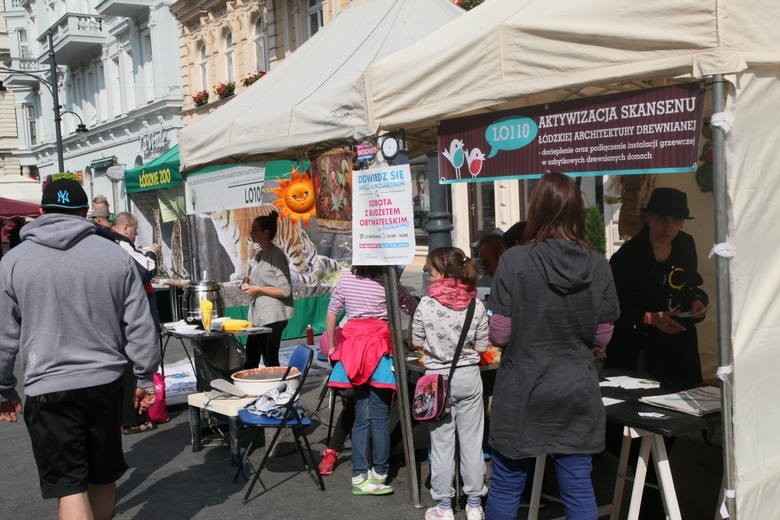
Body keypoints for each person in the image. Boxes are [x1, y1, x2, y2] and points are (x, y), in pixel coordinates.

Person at [0, 179, 160, 520]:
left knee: (70, 486)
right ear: (86, 213)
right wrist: (145, 378)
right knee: (102, 477)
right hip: (104, 383)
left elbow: (3, 336)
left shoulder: (13, 262)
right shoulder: (115, 257)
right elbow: (141, 325)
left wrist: (3, 388)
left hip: (48, 386)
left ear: (41, 213)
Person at [485, 172, 620, 519]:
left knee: (506, 486)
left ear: (537, 209)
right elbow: (603, 335)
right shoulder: (599, 265)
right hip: (576, 388)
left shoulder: (514, 261)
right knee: (577, 487)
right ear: (576, 211)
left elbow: (500, 335)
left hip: (522, 390)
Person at [325, 265, 418, 495]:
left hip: (352, 348)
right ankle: (380, 472)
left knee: (360, 415)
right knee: (380, 415)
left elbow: (332, 311)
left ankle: (359, 474)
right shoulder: (389, 282)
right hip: (380, 350)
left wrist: (333, 345)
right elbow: (412, 307)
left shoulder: (346, 278)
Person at [412, 247, 489, 520]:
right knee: (472, 442)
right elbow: (481, 345)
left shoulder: (426, 304)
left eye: (431, 269)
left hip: (437, 380)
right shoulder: (476, 303)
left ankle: (444, 506)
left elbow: (418, 341)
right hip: (469, 377)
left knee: (441, 444)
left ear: (443, 271)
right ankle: (475, 503)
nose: (428, 273)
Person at [606, 187, 709, 390]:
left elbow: (692, 285)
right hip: (641, 349)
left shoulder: (685, 244)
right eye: (663, 218)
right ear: (649, 217)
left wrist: (698, 301)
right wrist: (650, 318)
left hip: (680, 345)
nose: (668, 227)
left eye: (676, 221)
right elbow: (614, 310)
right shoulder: (627, 257)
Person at [111, 211, 161, 434]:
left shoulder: (108, 245)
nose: (136, 234)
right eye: (135, 230)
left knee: (126, 367)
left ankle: (129, 417)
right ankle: (133, 419)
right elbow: (145, 271)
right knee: (133, 366)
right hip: (128, 318)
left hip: (115, 317)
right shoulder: (121, 245)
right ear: (124, 228)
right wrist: (151, 253)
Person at [241, 211, 294, 368]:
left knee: (270, 360)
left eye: (255, 230)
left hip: (273, 317)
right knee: (251, 358)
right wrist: (248, 283)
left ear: (266, 232)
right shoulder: (260, 255)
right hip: (260, 317)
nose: (251, 233)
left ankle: (278, 389)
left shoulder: (276, 256)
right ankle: (251, 388)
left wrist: (257, 289)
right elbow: (264, 280)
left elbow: (285, 291)